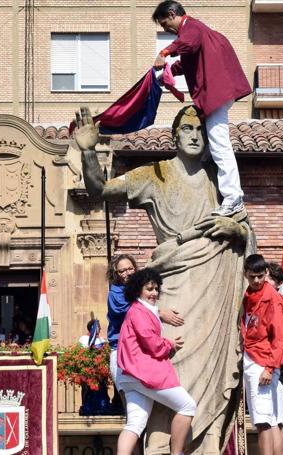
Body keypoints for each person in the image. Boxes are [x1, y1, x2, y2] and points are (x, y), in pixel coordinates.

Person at [77, 104, 252, 452]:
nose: (194, 135)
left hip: (214, 292)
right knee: (172, 370)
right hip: (174, 290)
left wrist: (234, 227)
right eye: (187, 129)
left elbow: (247, 234)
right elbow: (99, 191)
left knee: (211, 378)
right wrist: (87, 151)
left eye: (200, 130)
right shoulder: (153, 174)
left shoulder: (220, 182)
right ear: (174, 136)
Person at [152, 0, 252, 217]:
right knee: (208, 150)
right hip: (217, 94)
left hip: (215, 95)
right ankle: (214, 191)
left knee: (219, 145)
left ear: (172, 14)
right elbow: (187, 62)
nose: (166, 30)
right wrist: (165, 76)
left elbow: (188, 43)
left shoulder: (192, 28)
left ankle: (233, 198)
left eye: (165, 24)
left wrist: (165, 52)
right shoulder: (196, 34)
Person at [116, 268, 196, 455]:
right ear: (138, 290)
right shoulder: (139, 312)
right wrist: (169, 344)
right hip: (144, 374)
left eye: (155, 289)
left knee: (135, 424)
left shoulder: (139, 310)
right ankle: (176, 453)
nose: (153, 293)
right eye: (149, 289)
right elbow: (152, 343)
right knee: (187, 406)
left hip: (129, 376)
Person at [106, 254, 183, 399]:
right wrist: (160, 313)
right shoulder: (115, 294)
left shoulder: (140, 290)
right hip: (122, 353)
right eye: (121, 271)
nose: (127, 273)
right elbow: (134, 313)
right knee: (129, 402)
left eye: (130, 268)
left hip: (141, 352)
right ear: (115, 274)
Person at [241, 254, 283, 455]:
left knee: (263, 421)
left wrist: (269, 368)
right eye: (252, 277)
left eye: (260, 276)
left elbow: (280, 339)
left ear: (266, 273)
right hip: (252, 357)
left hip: (263, 362)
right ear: (246, 275)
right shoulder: (248, 295)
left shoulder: (273, 299)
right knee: (270, 419)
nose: (257, 281)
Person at [266, 262, 283, 454]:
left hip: (278, 371)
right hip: (278, 370)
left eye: (265, 277)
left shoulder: (279, 304)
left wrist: (274, 367)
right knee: (274, 421)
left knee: (274, 421)